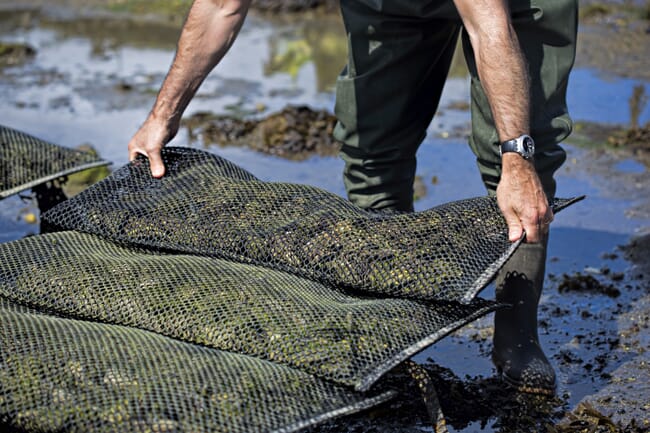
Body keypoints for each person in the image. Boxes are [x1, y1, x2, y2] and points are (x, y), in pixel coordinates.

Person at [128, 0, 578, 395]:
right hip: (391, 6)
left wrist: (517, 158)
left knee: (524, 152)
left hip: (511, 6)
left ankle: (517, 336)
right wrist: (162, 116)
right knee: (371, 147)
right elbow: (219, 6)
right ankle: (391, 320)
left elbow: (490, 25)